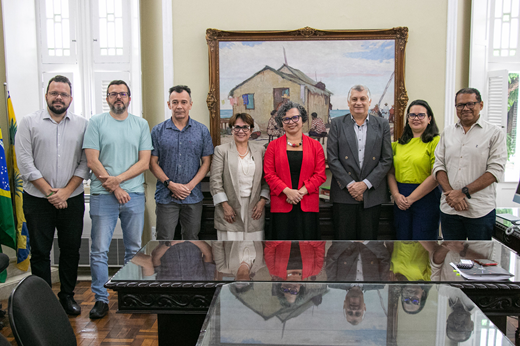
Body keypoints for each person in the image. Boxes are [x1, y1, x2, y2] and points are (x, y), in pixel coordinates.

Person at [16, 75, 88, 315]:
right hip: (37, 200)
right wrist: (50, 193)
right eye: (54, 93)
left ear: (71, 98)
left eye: (64, 94)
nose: (59, 97)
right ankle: (43, 303)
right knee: (40, 251)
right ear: (46, 95)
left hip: (73, 198)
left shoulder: (82, 124)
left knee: (70, 250)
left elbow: (85, 162)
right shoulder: (28, 122)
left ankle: (67, 296)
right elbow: (25, 163)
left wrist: (66, 192)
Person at [83, 80, 153, 319]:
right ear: (107, 98)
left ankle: (130, 294)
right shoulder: (96, 123)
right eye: (113, 94)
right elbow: (92, 160)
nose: (118, 98)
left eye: (122, 94)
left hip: (133, 194)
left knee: (133, 249)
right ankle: (101, 299)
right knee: (99, 250)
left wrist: (119, 181)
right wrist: (114, 188)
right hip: (103, 195)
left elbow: (144, 162)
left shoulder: (141, 124)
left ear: (129, 98)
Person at [432, 88, 507, 240]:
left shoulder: (495, 133)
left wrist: (462, 193)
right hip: (450, 209)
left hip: (479, 211)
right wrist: (452, 195)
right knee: (452, 258)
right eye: (460, 105)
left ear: (481, 105)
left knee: (479, 259)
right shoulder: (448, 132)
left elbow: (495, 171)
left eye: (470, 104)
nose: (465, 108)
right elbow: (438, 166)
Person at [327, 85, 392, 240]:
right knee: (343, 246)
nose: (358, 102)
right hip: (343, 193)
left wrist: (365, 185)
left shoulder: (382, 125)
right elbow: (332, 158)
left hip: (372, 194)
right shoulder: (336, 124)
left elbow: (386, 159)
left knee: (369, 245)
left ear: (369, 102)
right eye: (354, 99)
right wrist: (351, 185)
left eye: (362, 99)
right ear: (348, 102)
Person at [150, 85, 213, 240]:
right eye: (175, 102)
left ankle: (190, 266)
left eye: (184, 102)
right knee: (164, 240)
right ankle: (165, 266)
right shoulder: (158, 131)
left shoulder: (202, 131)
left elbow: (207, 162)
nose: (179, 106)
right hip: (166, 197)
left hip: (193, 196)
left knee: (191, 239)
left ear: (190, 104)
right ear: (169, 104)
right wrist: (171, 185)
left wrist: (188, 187)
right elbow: (152, 163)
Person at [264, 101, 326, 240]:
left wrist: (299, 193)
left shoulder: (316, 146)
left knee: (309, 251)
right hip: (281, 202)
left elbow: (320, 175)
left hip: (307, 203)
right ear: (281, 122)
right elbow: (269, 174)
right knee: (280, 252)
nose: (291, 122)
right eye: (286, 119)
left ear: (302, 119)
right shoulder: (272, 147)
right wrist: (288, 191)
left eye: (294, 118)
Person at [210, 113, 269, 240]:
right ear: (231, 129)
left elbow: (266, 180)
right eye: (237, 127)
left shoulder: (260, 151)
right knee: (230, 252)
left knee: (254, 252)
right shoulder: (221, 151)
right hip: (229, 208)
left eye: (245, 127)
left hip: (254, 209)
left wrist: (262, 202)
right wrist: (225, 206)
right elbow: (215, 182)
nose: (240, 131)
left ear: (251, 130)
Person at [387, 99, 441, 240]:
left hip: (426, 197)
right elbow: (391, 172)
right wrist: (396, 195)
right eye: (412, 115)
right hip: (400, 198)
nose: (416, 118)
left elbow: (435, 175)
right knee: (402, 242)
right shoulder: (398, 144)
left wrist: (411, 199)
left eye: (421, 115)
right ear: (407, 119)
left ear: (429, 119)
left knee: (422, 243)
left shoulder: (436, 142)